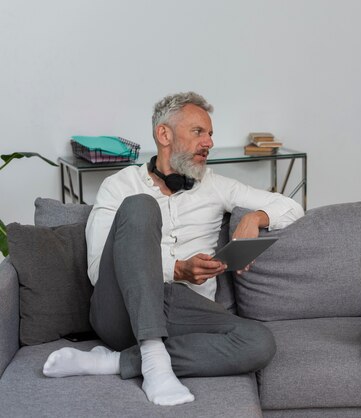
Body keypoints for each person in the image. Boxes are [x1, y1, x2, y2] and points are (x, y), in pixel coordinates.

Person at [43, 92, 304, 406]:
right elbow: (99, 268)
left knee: (259, 343)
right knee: (141, 206)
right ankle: (152, 357)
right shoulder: (120, 186)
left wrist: (255, 217)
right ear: (163, 134)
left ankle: (114, 362)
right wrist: (177, 269)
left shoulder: (218, 186)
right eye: (198, 132)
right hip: (122, 310)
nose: (208, 142)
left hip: (186, 312)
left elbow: (292, 208)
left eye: (210, 134)